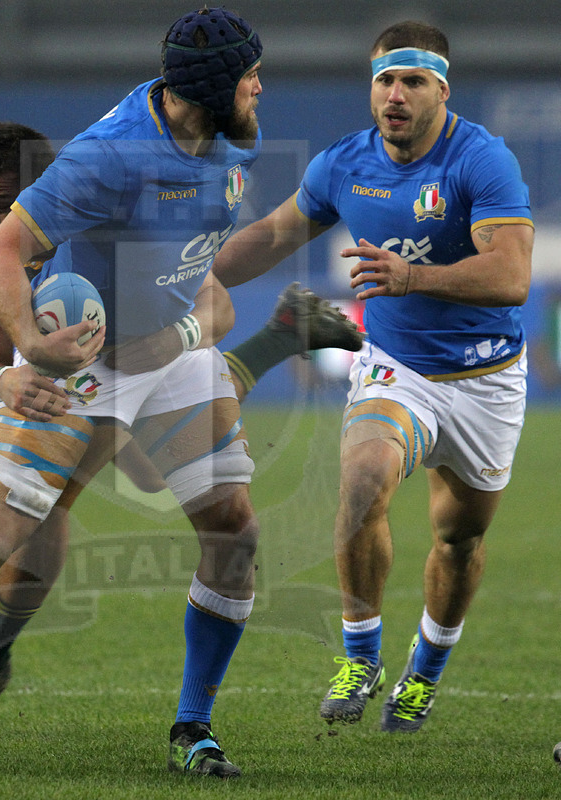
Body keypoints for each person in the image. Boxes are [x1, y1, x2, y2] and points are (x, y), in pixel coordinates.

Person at [0, 121, 362, 717]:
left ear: (43, 194)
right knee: (86, 494)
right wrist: (5, 379)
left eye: (0, 206)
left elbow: (213, 301)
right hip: (82, 373)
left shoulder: (102, 219)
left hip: (139, 357)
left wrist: (173, 339)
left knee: (76, 495)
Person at [211, 20, 533, 733]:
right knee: (361, 480)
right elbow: (269, 237)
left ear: (441, 91)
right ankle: (361, 655)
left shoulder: (482, 161)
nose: (396, 94)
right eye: (385, 79)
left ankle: (425, 670)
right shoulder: (342, 165)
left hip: (487, 379)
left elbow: (512, 276)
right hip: (398, 367)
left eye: (413, 81)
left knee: (458, 539)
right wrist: (187, 277)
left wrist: (412, 274)